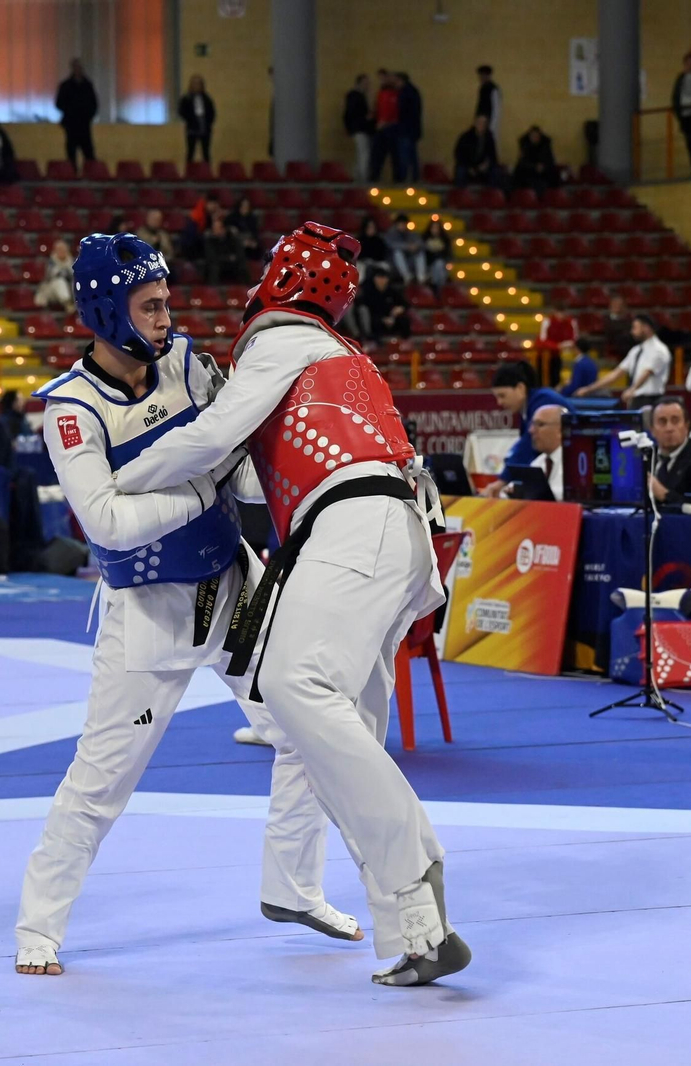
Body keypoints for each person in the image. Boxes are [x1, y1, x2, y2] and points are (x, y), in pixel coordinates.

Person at [110, 222, 468, 988]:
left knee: (294, 687)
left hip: (352, 522)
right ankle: (415, 930)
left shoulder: (280, 340)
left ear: (274, 284)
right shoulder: (346, 356)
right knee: (347, 741)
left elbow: (209, 440)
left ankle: (415, 864)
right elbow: (248, 472)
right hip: (398, 538)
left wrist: (120, 476)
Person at [17, 231, 360, 978]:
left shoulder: (189, 362)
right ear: (107, 311)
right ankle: (38, 928)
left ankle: (294, 887)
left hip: (233, 582)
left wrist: (225, 473)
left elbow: (236, 469)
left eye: (166, 300)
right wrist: (201, 481)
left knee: (311, 723)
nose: (165, 316)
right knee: (102, 779)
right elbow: (104, 522)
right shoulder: (71, 410)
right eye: (149, 305)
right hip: (148, 613)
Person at [482, 360, 572, 498]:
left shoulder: (544, 402)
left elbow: (525, 448)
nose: (499, 403)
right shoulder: (527, 408)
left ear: (520, 388)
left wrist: (502, 481)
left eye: (502, 395)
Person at [576, 313, 670, 405]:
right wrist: (588, 389)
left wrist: (632, 389)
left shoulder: (659, 350)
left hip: (651, 400)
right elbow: (616, 374)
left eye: (635, 328)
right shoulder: (636, 351)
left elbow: (647, 373)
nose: (632, 332)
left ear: (646, 328)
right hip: (635, 399)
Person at [505, 404, 566, 501]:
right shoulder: (538, 462)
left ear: (561, 430)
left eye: (540, 424)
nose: (531, 430)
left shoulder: (574, 462)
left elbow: (571, 497)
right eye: (532, 424)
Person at [55, 58, 98, 171]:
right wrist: (71, 111)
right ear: (72, 69)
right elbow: (58, 103)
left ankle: (91, 174)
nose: (78, 70)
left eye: (80, 67)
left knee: (89, 153)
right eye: (76, 67)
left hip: (84, 124)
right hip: (71, 124)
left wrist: (87, 116)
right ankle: (72, 175)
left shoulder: (88, 86)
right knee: (71, 154)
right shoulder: (66, 86)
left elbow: (94, 105)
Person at [353, 266, 410, 342]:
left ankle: (405, 341)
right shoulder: (368, 291)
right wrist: (382, 320)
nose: (382, 281)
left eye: (384, 278)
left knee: (404, 320)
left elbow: (405, 304)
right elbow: (363, 307)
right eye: (379, 278)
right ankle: (372, 342)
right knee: (372, 321)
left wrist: (400, 308)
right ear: (374, 279)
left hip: (391, 318)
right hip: (375, 319)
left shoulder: (392, 291)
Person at [369, 70, 401, 182]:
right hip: (380, 128)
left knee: (395, 155)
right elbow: (377, 110)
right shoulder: (380, 94)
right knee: (377, 155)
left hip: (391, 128)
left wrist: (386, 123)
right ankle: (374, 177)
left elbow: (395, 113)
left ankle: (397, 179)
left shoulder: (396, 95)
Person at [177, 74, 216, 164]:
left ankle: (207, 172)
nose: (196, 86)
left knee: (206, 152)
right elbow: (181, 112)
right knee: (191, 152)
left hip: (205, 128)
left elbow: (212, 113)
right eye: (194, 83)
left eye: (199, 84)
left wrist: (208, 123)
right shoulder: (186, 98)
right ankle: (189, 172)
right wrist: (190, 119)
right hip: (192, 128)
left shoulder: (207, 99)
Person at [453, 115, 500, 188]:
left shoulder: (489, 138)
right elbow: (459, 154)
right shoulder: (466, 137)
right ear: (475, 123)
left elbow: (493, 156)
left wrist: (486, 164)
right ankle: (460, 194)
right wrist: (469, 167)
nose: (481, 125)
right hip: (467, 165)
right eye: (479, 123)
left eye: (484, 123)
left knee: (495, 172)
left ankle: (490, 195)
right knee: (461, 171)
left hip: (482, 167)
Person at [344, 74, 373, 182]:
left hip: (360, 128)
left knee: (361, 153)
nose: (368, 85)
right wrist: (365, 118)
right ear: (360, 83)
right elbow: (350, 113)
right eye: (366, 83)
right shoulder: (354, 96)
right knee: (364, 153)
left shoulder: (359, 95)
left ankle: (357, 175)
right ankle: (363, 178)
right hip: (359, 128)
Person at [513, 126, 559, 193]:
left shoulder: (545, 146)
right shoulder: (525, 146)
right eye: (533, 136)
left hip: (543, 174)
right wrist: (534, 167)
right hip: (529, 174)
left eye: (537, 136)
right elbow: (522, 163)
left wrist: (543, 166)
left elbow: (550, 161)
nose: (535, 138)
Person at [395, 72, 423, 184]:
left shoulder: (406, 93)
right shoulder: (413, 92)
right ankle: (414, 177)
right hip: (413, 129)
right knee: (412, 155)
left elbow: (404, 112)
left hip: (406, 129)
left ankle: (403, 178)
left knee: (405, 156)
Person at [34, 237, 74, 310]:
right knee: (59, 281)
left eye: (63, 250)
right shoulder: (51, 262)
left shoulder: (72, 262)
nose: (62, 252)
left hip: (69, 289)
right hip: (50, 290)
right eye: (59, 250)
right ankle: (68, 303)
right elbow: (50, 276)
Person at [385, 214, 425, 285]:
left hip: (410, 260)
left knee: (420, 253)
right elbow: (391, 245)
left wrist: (415, 246)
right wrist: (407, 246)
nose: (402, 226)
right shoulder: (391, 234)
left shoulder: (410, 233)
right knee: (397, 253)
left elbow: (420, 242)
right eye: (400, 224)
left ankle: (421, 277)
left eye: (404, 224)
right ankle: (407, 276)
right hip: (394, 262)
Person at [225, 196, 263, 261]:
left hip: (249, 242)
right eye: (243, 206)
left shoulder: (252, 218)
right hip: (237, 242)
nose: (245, 208)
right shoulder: (232, 217)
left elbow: (255, 233)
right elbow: (228, 231)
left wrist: (253, 242)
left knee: (259, 247)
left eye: (247, 206)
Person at [420, 219, 450, 291]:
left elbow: (447, 255)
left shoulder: (445, 240)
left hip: (441, 265)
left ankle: (438, 287)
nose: (435, 230)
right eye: (433, 228)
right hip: (427, 265)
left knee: (439, 264)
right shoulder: (424, 239)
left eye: (437, 228)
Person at [475, 64, 502, 139]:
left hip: (490, 124)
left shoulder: (494, 89)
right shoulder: (482, 89)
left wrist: (492, 126)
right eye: (480, 76)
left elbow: (496, 110)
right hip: (480, 124)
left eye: (483, 75)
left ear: (488, 76)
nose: (481, 78)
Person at [602, 293, 632, 360]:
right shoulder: (604, 321)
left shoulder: (630, 321)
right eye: (615, 304)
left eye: (620, 304)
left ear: (624, 306)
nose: (617, 306)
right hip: (611, 354)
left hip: (626, 353)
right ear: (610, 306)